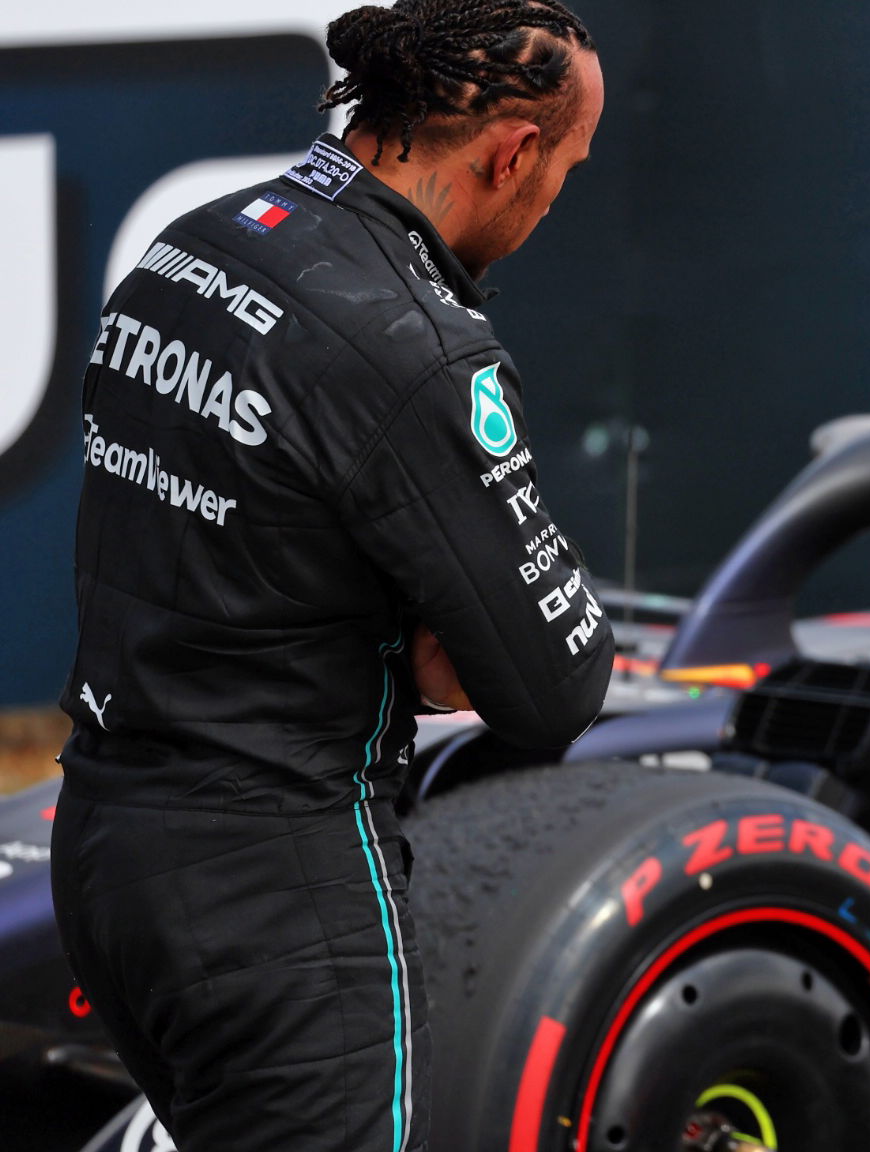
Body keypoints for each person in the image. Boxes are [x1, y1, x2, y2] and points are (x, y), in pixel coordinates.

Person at [48, 2, 612, 1148]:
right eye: (568, 168)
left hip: (106, 845)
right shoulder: (416, 345)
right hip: (280, 889)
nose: (557, 201)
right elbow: (555, 684)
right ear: (513, 153)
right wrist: (429, 624)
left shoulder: (189, 246)